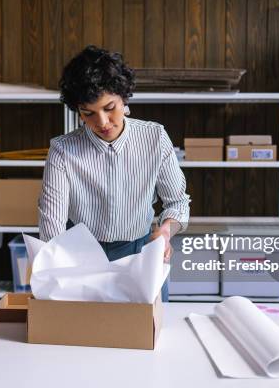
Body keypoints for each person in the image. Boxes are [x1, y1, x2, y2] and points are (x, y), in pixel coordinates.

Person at [38, 45, 191, 301]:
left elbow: (177, 202)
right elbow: (52, 224)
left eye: (110, 108)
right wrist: (56, 270)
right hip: (81, 259)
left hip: (141, 255)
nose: (102, 122)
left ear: (124, 98)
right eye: (88, 114)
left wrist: (165, 232)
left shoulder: (154, 137)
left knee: (150, 337)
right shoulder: (62, 150)